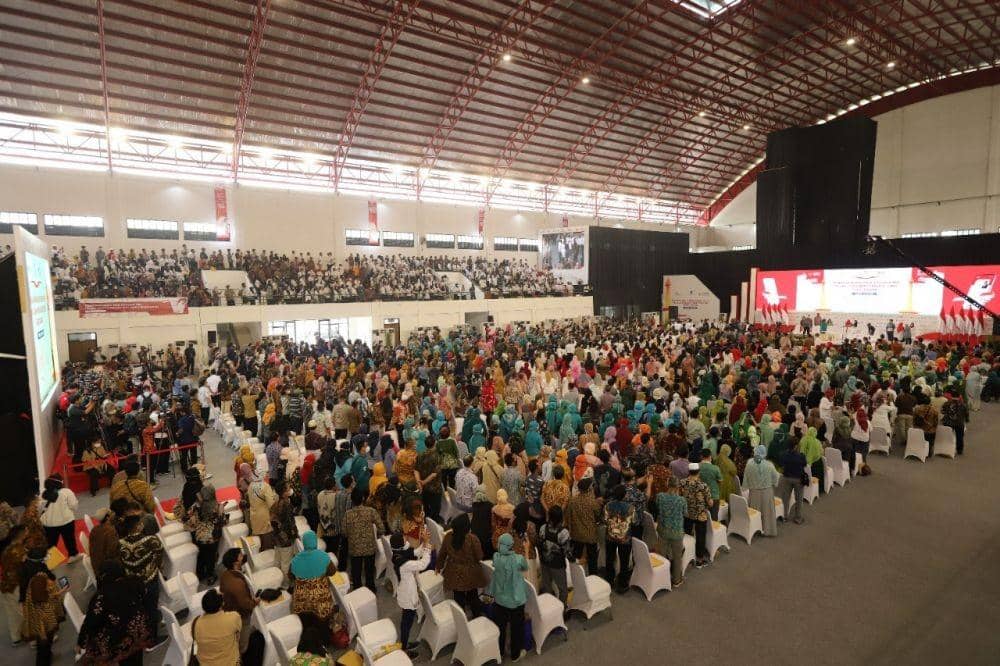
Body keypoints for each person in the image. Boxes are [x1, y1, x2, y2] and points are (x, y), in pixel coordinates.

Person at [76, 561, 151, 665]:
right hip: (139, 630)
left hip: (119, 639)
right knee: (135, 658)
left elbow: (91, 622)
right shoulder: (135, 581)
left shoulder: (101, 597)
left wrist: (81, 642)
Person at [119, 513, 167, 649]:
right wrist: (158, 568)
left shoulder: (120, 543)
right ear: (138, 526)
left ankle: (140, 633)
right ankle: (151, 641)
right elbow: (159, 556)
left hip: (131, 583)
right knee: (151, 608)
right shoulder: (151, 540)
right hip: (149, 580)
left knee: (141, 608)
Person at [19, 546, 65, 665]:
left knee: (42, 639)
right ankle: (43, 662)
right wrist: (58, 592)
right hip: (43, 612)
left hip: (32, 608)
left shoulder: (25, 566)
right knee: (44, 640)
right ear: (40, 559)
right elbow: (41, 597)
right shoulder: (39, 576)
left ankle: (46, 657)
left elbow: (24, 592)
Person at [435, 514, 487, 617]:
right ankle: (476, 616)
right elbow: (479, 556)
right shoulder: (473, 539)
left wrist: (438, 566)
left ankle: (460, 618)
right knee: (473, 596)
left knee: (458, 597)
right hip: (471, 573)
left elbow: (442, 554)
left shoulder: (448, 537)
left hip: (454, 572)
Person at [489, 532, 529, 663]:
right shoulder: (518, 559)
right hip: (515, 601)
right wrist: (526, 550)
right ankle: (515, 654)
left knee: (500, 627)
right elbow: (525, 567)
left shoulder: (496, 557)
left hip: (500, 599)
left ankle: (499, 652)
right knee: (517, 628)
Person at [391, 533, 431, 658]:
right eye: (403, 538)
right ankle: (404, 648)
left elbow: (416, 553)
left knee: (406, 620)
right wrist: (428, 547)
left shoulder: (398, 553)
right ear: (400, 543)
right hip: (408, 595)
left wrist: (424, 542)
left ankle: (404, 643)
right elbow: (423, 564)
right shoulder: (404, 563)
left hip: (405, 590)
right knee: (407, 622)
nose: (406, 538)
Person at [290, 531, 337, 625]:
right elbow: (332, 572)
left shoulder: (295, 559)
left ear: (304, 543)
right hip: (321, 601)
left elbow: (290, 576)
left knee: (305, 622)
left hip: (302, 602)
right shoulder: (323, 556)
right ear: (315, 542)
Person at [342, 487, 383, 592]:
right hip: (369, 547)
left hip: (355, 548)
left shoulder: (348, 514)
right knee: (369, 571)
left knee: (356, 571)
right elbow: (381, 528)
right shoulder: (371, 511)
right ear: (363, 499)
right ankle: (371, 589)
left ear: (352, 500)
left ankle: (357, 590)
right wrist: (377, 535)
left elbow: (344, 532)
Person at [219, 548, 259, 654]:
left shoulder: (226, 574)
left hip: (230, 611)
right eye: (241, 555)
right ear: (236, 562)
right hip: (241, 616)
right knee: (243, 644)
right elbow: (246, 605)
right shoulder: (237, 583)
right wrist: (256, 601)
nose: (243, 556)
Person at [649, 476, 687, 587]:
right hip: (676, 532)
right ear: (678, 486)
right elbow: (685, 513)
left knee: (662, 555)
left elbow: (657, 507)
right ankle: (676, 580)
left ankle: (662, 578)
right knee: (677, 557)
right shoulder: (681, 500)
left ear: (667, 484)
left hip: (662, 530)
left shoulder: (660, 496)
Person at [192, 588, 243, 666]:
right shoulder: (233, 617)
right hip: (230, 662)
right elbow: (238, 634)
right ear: (221, 604)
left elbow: (195, 638)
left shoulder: (196, 622)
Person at [565, 477, 602, 575]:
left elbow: (568, 516)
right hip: (590, 535)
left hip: (576, 534)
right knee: (592, 558)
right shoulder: (593, 502)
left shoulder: (573, 500)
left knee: (576, 555)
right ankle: (593, 577)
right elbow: (598, 515)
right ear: (589, 489)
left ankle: (576, 575)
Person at [188, 484, 224, 584]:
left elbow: (190, 517)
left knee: (201, 555)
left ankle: (199, 574)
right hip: (212, 538)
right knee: (211, 557)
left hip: (199, 536)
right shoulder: (217, 507)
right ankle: (210, 575)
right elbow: (221, 522)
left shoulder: (196, 505)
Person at [537, 505, 572, 605]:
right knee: (563, 590)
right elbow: (567, 552)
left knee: (547, 587)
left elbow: (540, 543)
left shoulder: (543, 528)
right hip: (557, 565)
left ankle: (550, 607)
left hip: (544, 562)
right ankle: (561, 609)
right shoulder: (564, 533)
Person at [39, 474, 79, 562]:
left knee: (51, 543)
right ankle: (73, 555)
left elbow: (40, 509)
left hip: (48, 524)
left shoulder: (43, 494)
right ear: (60, 482)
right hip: (66, 521)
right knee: (69, 540)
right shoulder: (66, 492)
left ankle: (51, 561)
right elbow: (74, 506)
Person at [602, 484, 634, 593]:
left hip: (610, 537)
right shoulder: (630, 508)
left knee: (609, 559)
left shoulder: (608, 505)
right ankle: (622, 585)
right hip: (624, 539)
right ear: (625, 495)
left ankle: (609, 581)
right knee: (624, 562)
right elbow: (634, 521)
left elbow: (605, 520)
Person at [679, 463, 712, 568]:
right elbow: (710, 502)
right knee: (701, 537)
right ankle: (699, 560)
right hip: (700, 515)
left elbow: (680, 497)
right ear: (698, 472)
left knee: (687, 535)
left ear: (689, 471)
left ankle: (686, 557)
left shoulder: (682, 483)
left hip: (687, 513)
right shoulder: (703, 485)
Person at [743, 445, 780, 537]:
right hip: (767, 492)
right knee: (767, 512)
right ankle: (767, 530)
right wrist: (772, 483)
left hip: (754, 492)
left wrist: (747, 487)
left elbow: (745, 479)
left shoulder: (749, 464)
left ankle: (755, 530)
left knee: (755, 511)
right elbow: (776, 478)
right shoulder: (769, 465)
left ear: (755, 452)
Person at [0, 525, 26, 647]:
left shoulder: (9, 548)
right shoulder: (18, 551)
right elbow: (23, 568)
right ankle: (32, 638)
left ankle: (16, 637)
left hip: (4, 585)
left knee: (12, 611)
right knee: (23, 610)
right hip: (13, 585)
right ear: (22, 535)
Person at [270, 478, 298, 583]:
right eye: (288, 488)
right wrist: (295, 535)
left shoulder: (276, 503)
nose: (290, 490)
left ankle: (275, 580)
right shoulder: (286, 504)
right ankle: (286, 584)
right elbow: (291, 523)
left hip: (277, 536)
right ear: (284, 492)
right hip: (285, 538)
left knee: (277, 560)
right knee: (286, 563)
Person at [778, 441, 807, 525]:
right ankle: (798, 518)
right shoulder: (801, 456)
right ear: (795, 446)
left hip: (786, 478)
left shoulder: (783, 454)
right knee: (799, 499)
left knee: (785, 498)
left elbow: (781, 464)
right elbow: (804, 464)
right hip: (798, 479)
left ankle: (784, 516)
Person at [88, 507, 121, 574]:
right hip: (105, 569)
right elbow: (112, 552)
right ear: (107, 518)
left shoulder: (94, 529)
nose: (113, 514)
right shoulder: (110, 531)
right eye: (111, 513)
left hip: (96, 564)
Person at [698, 448, 723, 520]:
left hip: (700, 495)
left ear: (701, 456)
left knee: (701, 518)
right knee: (714, 518)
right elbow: (720, 481)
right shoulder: (715, 468)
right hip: (713, 495)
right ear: (710, 456)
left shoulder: (697, 466)